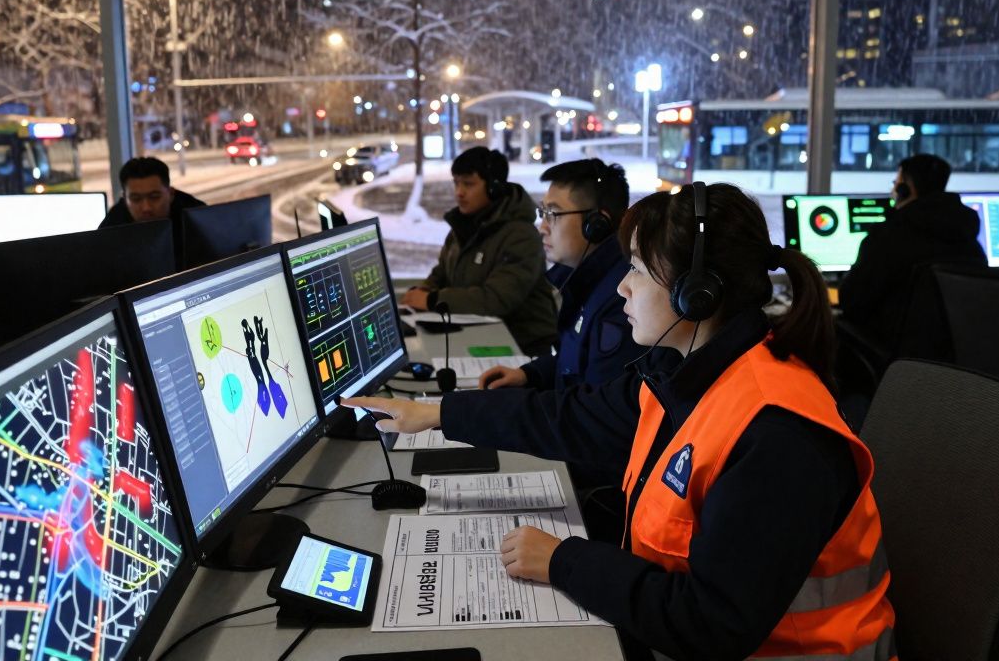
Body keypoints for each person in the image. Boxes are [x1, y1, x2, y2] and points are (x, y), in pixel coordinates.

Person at [352, 182, 895, 660]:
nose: (621, 287)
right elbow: (569, 417)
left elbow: (710, 625)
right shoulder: (686, 373)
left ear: (697, 292)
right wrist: (436, 414)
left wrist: (565, 561)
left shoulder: (776, 435)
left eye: (637, 269)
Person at [479, 158, 646, 391]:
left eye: (553, 214)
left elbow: (593, 408)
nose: (542, 228)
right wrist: (529, 374)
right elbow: (576, 364)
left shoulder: (620, 298)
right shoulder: (586, 281)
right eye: (543, 212)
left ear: (596, 224)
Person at [402, 147, 557, 356]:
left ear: (493, 187)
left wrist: (432, 300)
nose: (459, 192)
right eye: (456, 183)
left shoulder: (521, 235)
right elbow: (442, 273)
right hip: (475, 335)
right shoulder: (463, 227)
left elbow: (495, 299)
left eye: (468, 184)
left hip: (522, 349)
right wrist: (420, 294)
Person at [839, 153, 986, 351]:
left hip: (897, 355)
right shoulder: (968, 240)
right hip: (954, 357)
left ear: (905, 188)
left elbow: (852, 301)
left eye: (896, 183)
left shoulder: (888, 236)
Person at [99, 156, 206, 260]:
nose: (146, 208)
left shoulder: (197, 218)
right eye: (136, 199)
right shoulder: (111, 227)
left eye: (154, 197)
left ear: (171, 194)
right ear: (125, 200)